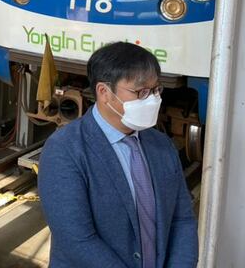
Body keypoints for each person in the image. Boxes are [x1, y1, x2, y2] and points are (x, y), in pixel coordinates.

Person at [38, 42, 198, 268]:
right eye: (141, 92)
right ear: (104, 92)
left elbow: (182, 219)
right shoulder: (65, 150)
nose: (152, 99)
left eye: (155, 90)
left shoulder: (161, 145)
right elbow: (77, 240)